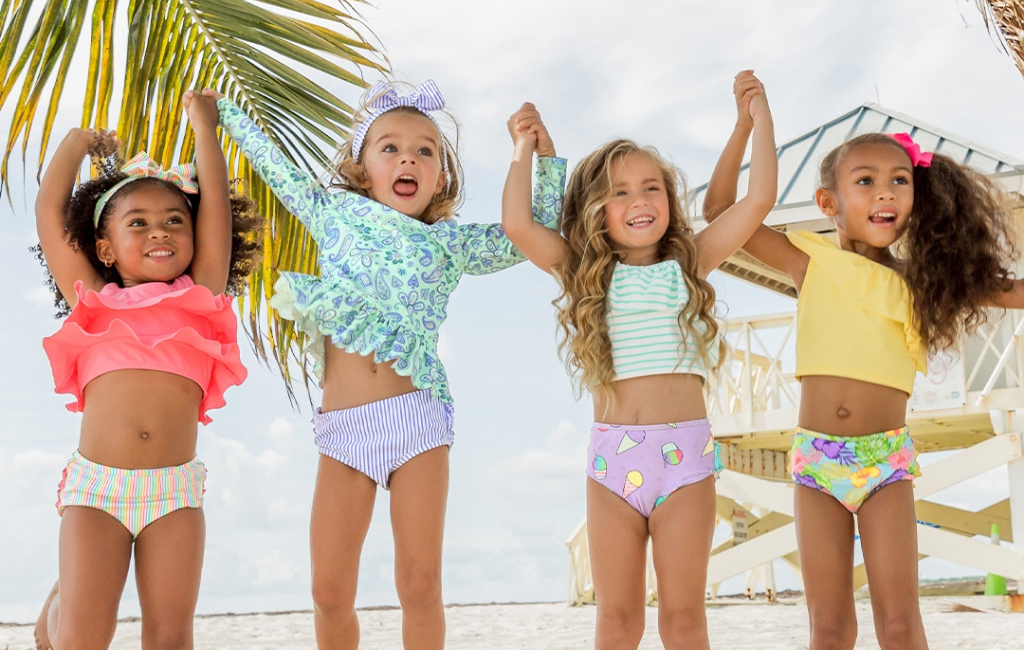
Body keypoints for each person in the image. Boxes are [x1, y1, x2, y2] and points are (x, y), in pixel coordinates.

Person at [211, 80, 566, 649]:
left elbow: (532, 233)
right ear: (361, 167)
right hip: (344, 430)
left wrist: (541, 155)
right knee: (328, 591)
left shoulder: (452, 244)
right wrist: (221, 108)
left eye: (427, 150)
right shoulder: (330, 211)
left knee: (420, 583)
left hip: (417, 420)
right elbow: (270, 161)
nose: (409, 157)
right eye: (390, 147)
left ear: (441, 177)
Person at [703, 127, 1024, 649]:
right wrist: (745, 126)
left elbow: (1012, 291)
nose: (885, 192)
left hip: (886, 463)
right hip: (817, 464)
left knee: (899, 625)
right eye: (866, 180)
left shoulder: (924, 282)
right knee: (829, 629)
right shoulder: (807, 261)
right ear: (828, 201)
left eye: (900, 180)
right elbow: (721, 210)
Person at [502, 71, 777, 650]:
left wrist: (753, 121)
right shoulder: (581, 272)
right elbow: (518, 225)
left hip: (686, 459)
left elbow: (757, 199)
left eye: (652, 187)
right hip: (612, 461)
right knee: (616, 619)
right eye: (619, 192)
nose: (638, 201)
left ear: (670, 201)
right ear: (596, 210)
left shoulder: (690, 262)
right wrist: (524, 149)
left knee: (683, 619)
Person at [32, 90, 260, 650]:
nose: (160, 231)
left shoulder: (200, 295)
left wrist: (203, 125)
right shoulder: (93, 300)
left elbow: (214, 210)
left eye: (174, 221)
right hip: (97, 489)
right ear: (105, 248)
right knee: (84, 637)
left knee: (170, 635)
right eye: (139, 222)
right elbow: (47, 212)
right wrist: (77, 143)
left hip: (174, 492)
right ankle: (58, 607)